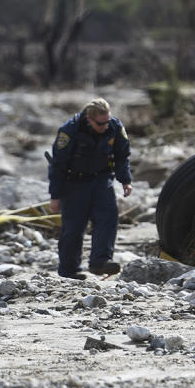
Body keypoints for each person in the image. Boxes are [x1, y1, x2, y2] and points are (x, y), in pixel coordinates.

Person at [48, 98, 133, 279]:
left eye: (107, 122)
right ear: (89, 118)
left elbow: (122, 155)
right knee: (73, 228)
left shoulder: (115, 127)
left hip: (102, 180)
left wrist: (125, 180)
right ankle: (69, 271)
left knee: (108, 218)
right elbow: (58, 165)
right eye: (100, 123)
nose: (105, 126)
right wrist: (55, 196)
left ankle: (99, 262)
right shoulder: (70, 131)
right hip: (74, 184)